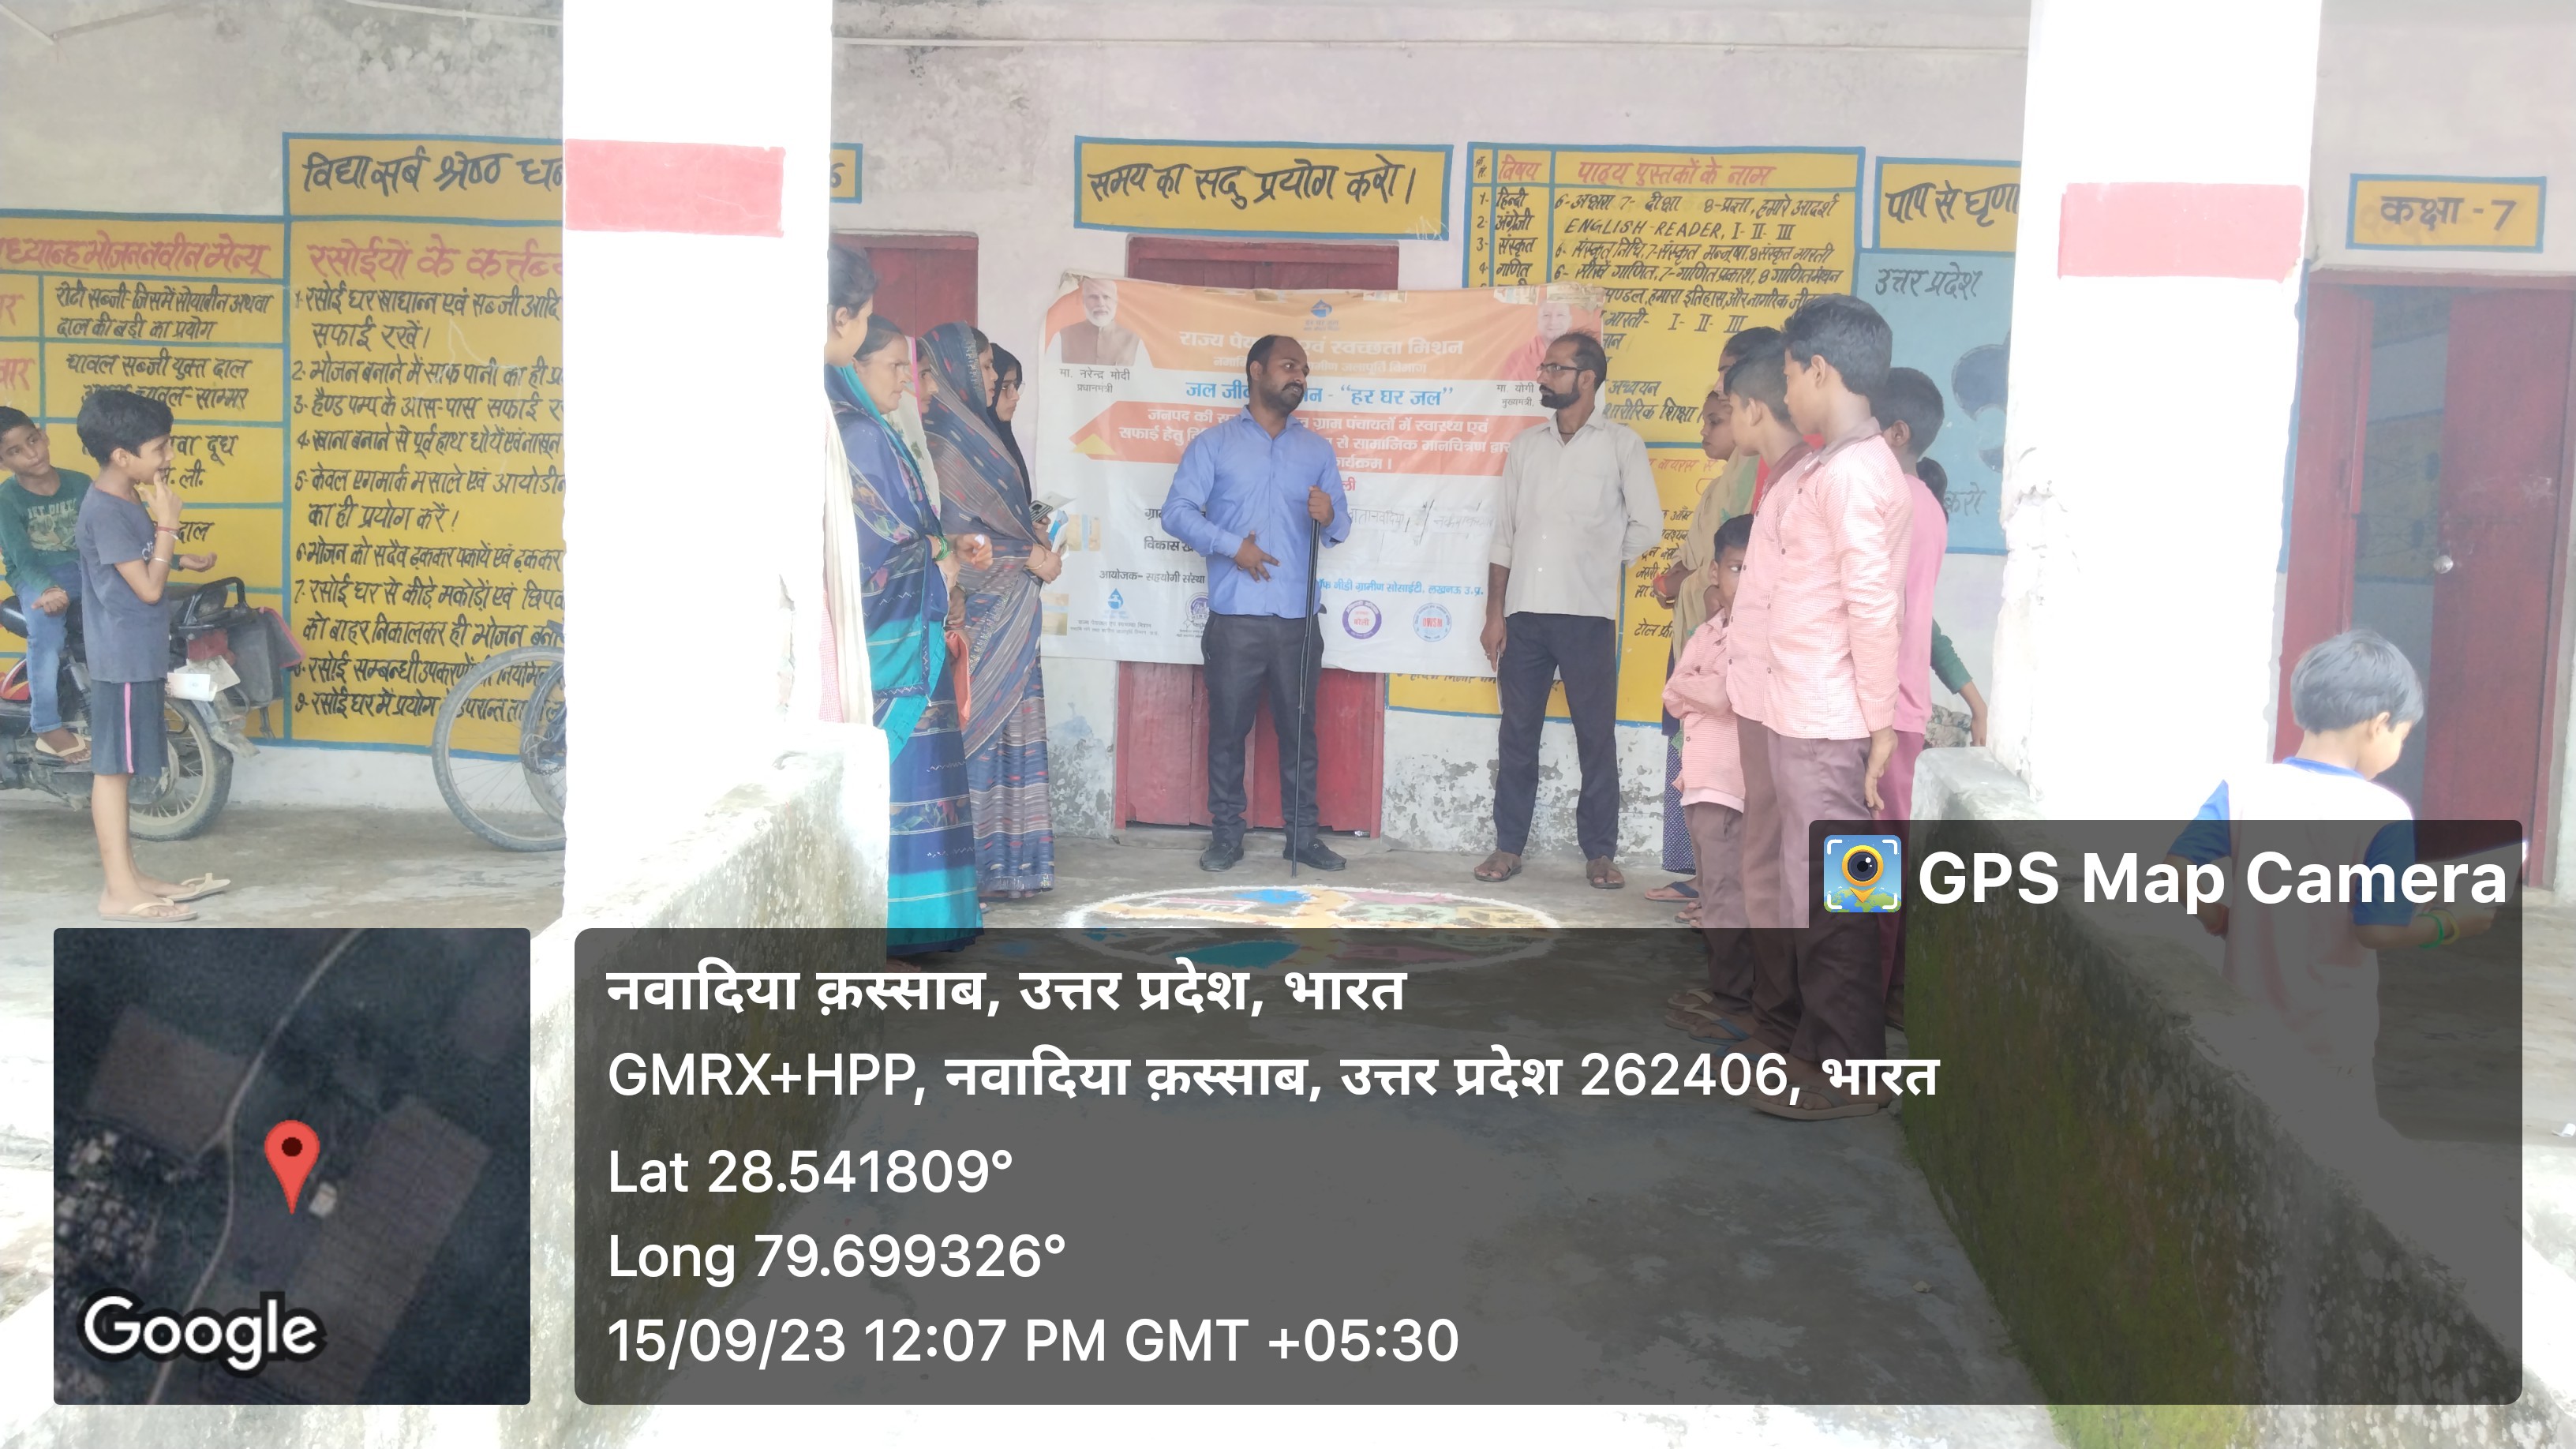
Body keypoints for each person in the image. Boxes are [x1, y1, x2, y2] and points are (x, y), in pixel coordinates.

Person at [1728, 294, 1911, 1122]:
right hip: (1804, 712)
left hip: (1831, 723)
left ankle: (1853, 1072)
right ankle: (1816, 1049)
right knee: (1818, 893)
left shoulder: (1855, 474)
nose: (1787, 390)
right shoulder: (1827, 466)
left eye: (1792, 374)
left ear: (1819, 370)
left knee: (1842, 899)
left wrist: (1879, 726)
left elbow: (1873, 608)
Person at [2166, 631, 2492, 1083]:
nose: (2399, 749)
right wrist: (2450, 923)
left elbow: (2176, 871)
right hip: (2330, 1041)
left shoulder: (2243, 788)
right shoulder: (2384, 813)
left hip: (2246, 1029)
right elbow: (2377, 929)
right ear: (2378, 724)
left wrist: (2218, 919)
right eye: (2402, 736)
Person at [827, 310, 993, 953]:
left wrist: (946, 547)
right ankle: (903, 924)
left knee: (924, 779)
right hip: (894, 638)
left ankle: (924, 922)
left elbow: (905, 533)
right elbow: (871, 553)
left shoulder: (878, 431)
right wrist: (937, 556)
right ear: (854, 365)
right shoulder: (860, 436)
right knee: (906, 779)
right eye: (895, 366)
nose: (906, 379)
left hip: (914, 625)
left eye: (909, 366)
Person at [1475, 330, 1664, 890]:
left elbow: (1648, 526)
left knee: (1595, 737)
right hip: (1524, 615)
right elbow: (1504, 535)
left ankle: (1600, 852)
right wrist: (1494, 613)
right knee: (1517, 735)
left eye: (1554, 368)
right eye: (1544, 367)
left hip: (1587, 614)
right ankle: (1508, 846)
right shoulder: (1526, 448)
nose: (1542, 376)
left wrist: (1600, 559)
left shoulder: (1622, 445)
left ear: (1587, 379)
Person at [1159, 335, 1350, 874]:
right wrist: (1231, 546)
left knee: (1299, 735)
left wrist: (1330, 514)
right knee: (1228, 733)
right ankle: (1226, 835)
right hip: (1236, 618)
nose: (1300, 378)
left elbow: (1341, 528)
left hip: (1297, 621)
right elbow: (1176, 512)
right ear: (1256, 371)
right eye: (1289, 366)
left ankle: (1302, 838)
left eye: (1305, 370)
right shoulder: (1214, 445)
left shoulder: (1317, 451)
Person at [71, 389, 225, 923]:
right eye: (160, 448)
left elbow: (131, 562)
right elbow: (148, 589)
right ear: (122, 455)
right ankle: (118, 892)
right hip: (121, 656)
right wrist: (168, 526)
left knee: (123, 768)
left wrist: (177, 556)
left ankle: (132, 878)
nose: (170, 457)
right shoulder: (107, 509)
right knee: (113, 772)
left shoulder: (123, 497)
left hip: (135, 651)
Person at [919, 323, 1060, 901]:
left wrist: (1032, 540)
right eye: (980, 367)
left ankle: (1009, 868)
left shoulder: (983, 436)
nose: (989, 377)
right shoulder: (945, 442)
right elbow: (951, 540)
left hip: (1012, 616)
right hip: (974, 620)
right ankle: (964, 872)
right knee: (972, 739)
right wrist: (1026, 553)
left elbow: (1000, 523)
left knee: (1011, 740)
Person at [1646, 326, 1780, 910]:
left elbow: (1733, 561)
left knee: (1725, 776)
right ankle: (1709, 884)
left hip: (1729, 643)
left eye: (1727, 378)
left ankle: (1728, 894)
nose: (1720, 386)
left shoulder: (1767, 468)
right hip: (1705, 636)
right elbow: (1709, 558)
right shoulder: (1733, 474)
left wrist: (1707, 600)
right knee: (1696, 758)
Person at [1662, 513, 1761, 1046]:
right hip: (1698, 781)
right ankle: (1726, 991)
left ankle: (1735, 1002)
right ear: (1716, 573)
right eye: (1736, 568)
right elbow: (1672, 692)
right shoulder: (1708, 631)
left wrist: (1696, 687)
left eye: (1755, 568)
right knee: (1714, 893)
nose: (1744, 579)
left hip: (1732, 787)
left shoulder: (1758, 633)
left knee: (1727, 895)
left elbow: (1721, 697)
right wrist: (1698, 686)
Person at [1, 406, 94, 763]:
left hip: (85, 569)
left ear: (43, 435)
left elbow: (113, 535)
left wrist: (175, 560)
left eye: (32, 440)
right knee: (47, 635)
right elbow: (23, 559)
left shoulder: (80, 483)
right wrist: (48, 590)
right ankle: (46, 725)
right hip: (36, 576)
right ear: (3, 463)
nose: (32, 453)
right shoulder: (6, 499)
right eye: (15, 451)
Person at [1057, 277, 1151, 368]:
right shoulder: (1063, 337)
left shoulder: (1134, 340)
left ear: (1116, 302)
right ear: (1083, 301)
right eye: (1094, 297)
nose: (1101, 304)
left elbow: (1145, 377)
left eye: (1107, 297)